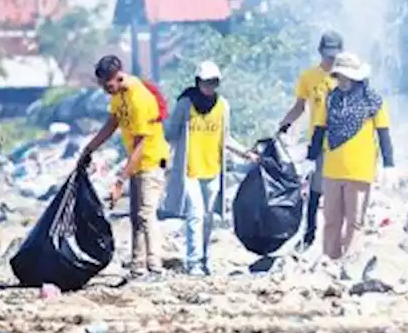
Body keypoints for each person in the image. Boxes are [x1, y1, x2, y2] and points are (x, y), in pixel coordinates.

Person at [77, 55, 171, 280]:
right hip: (138, 162)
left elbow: (140, 145)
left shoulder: (139, 97)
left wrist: (120, 181)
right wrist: (88, 149)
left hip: (152, 160)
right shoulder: (118, 96)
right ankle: (138, 267)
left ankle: (156, 266)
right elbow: (111, 124)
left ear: (119, 77)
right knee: (135, 217)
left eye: (107, 85)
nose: (105, 90)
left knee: (146, 214)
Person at [160, 60, 256, 274]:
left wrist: (246, 153)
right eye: (206, 82)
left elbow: (226, 137)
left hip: (213, 170)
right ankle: (193, 261)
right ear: (198, 82)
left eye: (213, 82)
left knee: (208, 217)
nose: (209, 87)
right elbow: (171, 133)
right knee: (195, 213)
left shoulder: (223, 105)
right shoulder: (185, 104)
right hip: (190, 169)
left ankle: (203, 259)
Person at [307, 52, 394, 261]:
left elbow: (383, 133)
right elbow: (320, 129)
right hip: (332, 169)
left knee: (354, 221)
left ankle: (350, 263)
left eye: (346, 77)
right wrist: (310, 158)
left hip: (360, 170)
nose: (342, 81)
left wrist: (389, 164)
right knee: (331, 220)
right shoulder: (331, 100)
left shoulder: (373, 101)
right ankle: (330, 260)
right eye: (339, 76)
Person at [277, 30, 343, 251]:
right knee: (315, 190)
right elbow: (299, 107)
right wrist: (284, 125)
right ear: (320, 52)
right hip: (318, 142)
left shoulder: (345, 78)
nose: (331, 59)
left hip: (342, 142)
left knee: (339, 191)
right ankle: (310, 234)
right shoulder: (309, 77)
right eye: (328, 54)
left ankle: (337, 237)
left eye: (334, 54)